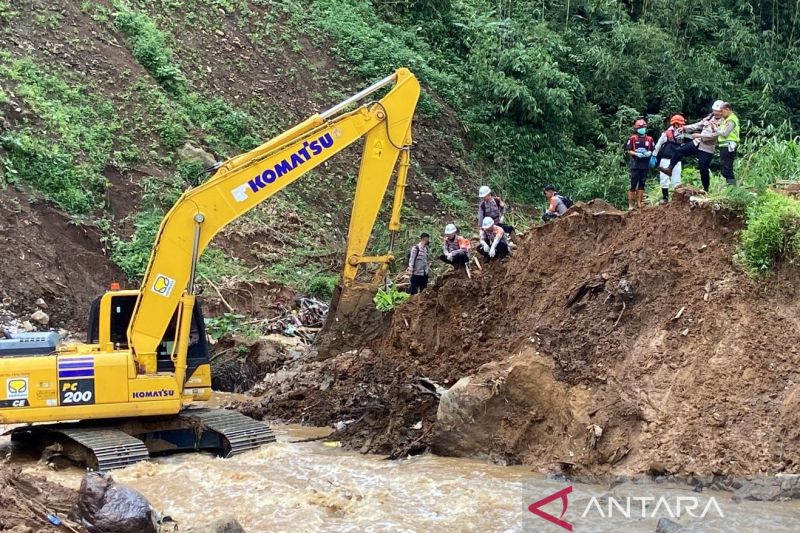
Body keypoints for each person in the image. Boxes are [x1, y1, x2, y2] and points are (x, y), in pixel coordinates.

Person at [659, 100, 723, 192]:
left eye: (718, 111)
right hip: (698, 142)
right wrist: (684, 128)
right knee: (679, 150)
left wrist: (700, 135)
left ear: (722, 111)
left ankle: (705, 189)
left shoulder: (724, 121)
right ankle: (670, 168)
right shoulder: (710, 117)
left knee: (703, 168)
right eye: (714, 110)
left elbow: (715, 136)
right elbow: (698, 125)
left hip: (707, 147)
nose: (716, 113)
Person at [652, 114, 686, 203]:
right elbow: (658, 145)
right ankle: (665, 198)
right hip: (666, 159)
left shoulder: (682, 134)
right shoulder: (666, 134)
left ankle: (677, 200)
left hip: (677, 160)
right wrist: (654, 155)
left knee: (677, 180)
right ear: (675, 124)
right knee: (664, 179)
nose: (682, 126)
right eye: (680, 124)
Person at [625, 119, 655, 210]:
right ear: (636, 129)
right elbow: (628, 150)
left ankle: (639, 202)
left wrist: (649, 153)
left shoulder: (649, 139)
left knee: (642, 183)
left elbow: (652, 149)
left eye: (643, 127)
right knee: (633, 183)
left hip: (645, 164)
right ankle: (630, 204)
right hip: (635, 164)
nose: (642, 129)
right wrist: (636, 154)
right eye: (640, 128)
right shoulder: (633, 138)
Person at [715, 102, 740, 186]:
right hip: (724, 146)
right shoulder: (725, 119)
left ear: (727, 109)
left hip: (729, 145)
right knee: (724, 168)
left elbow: (725, 134)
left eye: (722, 111)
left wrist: (716, 129)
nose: (721, 114)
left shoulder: (732, 120)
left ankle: (732, 188)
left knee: (727, 168)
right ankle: (729, 187)